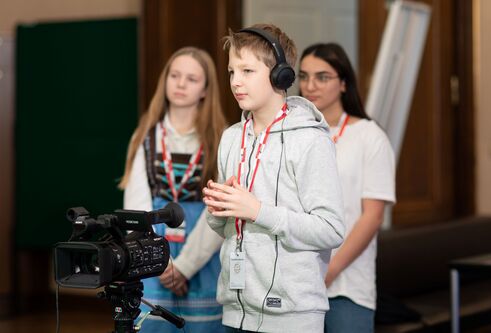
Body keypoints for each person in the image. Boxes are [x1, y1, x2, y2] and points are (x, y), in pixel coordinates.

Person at [202, 24, 345, 333]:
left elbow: (331, 229)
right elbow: (227, 229)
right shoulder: (230, 138)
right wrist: (218, 210)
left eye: (247, 71)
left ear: (280, 75)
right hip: (235, 313)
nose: (236, 82)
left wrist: (258, 211)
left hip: (293, 317)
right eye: (231, 72)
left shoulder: (310, 140)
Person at [119, 46, 227, 333]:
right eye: (175, 75)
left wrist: (185, 266)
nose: (180, 84)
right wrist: (164, 263)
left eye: (191, 79)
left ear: (206, 89)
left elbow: (220, 210)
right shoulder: (144, 136)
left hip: (202, 251)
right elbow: (137, 208)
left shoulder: (222, 139)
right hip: (153, 251)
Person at [298, 42, 396, 333]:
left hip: (347, 286)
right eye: (303, 76)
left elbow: (372, 216)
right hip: (296, 284)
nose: (310, 85)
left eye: (322, 77)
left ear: (343, 83)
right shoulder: (294, 132)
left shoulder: (369, 136)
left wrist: (331, 270)